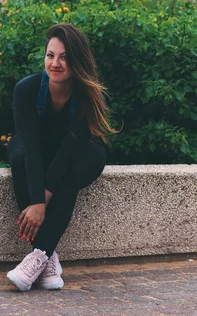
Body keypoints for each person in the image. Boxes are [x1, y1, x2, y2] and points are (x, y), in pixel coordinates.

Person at [6, 23, 117, 292]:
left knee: (76, 167)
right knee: (20, 154)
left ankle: (38, 256)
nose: (55, 63)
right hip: (36, 150)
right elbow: (31, 146)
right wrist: (36, 200)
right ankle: (47, 257)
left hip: (76, 154)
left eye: (64, 57)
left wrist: (41, 201)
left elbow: (69, 151)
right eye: (50, 55)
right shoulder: (26, 89)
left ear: (77, 61)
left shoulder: (89, 94)